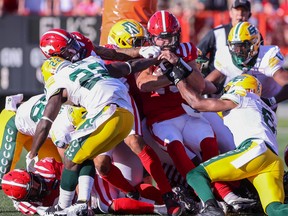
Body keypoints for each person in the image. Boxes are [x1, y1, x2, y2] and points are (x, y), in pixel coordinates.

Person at [135, 10, 255, 210]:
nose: (167, 43)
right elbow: (142, 84)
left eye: (171, 38)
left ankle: (226, 193)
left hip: (184, 112)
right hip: (159, 120)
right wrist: (173, 76)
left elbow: (199, 84)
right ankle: (207, 199)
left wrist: (177, 63)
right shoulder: (148, 53)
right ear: (152, 38)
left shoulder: (185, 50)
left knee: (209, 140)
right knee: (176, 147)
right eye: (161, 39)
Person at [26, 53, 162, 216]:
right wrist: (155, 60)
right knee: (84, 153)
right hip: (126, 115)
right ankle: (82, 203)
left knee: (71, 156)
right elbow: (129, 66)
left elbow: (45, 122)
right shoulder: (91, 62)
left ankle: (63, 207)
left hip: (107, 113)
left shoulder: (59, 80)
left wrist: (32, 153)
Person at [160, 70, 288, 215]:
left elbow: (198, 103)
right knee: (274, 209)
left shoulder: (242, 97)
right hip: (272, 160)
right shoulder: (263, 108)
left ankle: (211, 209)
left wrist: (179, 80)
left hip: (255, 151)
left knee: (196, 175)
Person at [95, 19, 182, 216]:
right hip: (100, 108)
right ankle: (132, 193)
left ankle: (168, 196)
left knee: (136, 142)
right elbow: (116, 54)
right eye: (136, 43)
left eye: (142, 42)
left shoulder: (148, 57)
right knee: (103, 167)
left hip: (125, 104)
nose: (142, 47)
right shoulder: (106, 53)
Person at [205, 21, 288, 110]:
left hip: (265, 106)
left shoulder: (267, 56)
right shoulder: (225, 56)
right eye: (235, 46)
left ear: (255, 43)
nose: (238, 51)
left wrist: (271, 101)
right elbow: (205, 84)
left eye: (243, 46)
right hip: (238, 103)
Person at [0, 93, 62, 186]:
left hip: (39, 129)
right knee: (3, 177)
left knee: (56, 172)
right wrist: (32, 154)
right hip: (15, 121)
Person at [197, 0, 252, 77]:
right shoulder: (217, 33)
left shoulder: (254, 36)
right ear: (230, 13)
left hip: (244, 83)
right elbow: (197, 54)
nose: (239, 14)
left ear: (249, 15)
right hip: (217, 85)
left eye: (243, 11)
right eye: (237, 10)